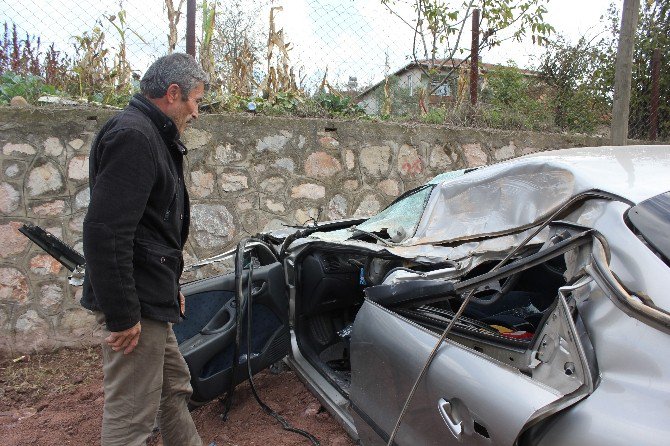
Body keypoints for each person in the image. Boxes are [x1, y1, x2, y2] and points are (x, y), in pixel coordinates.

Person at [81, 53, 207, 446]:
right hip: (134, 303)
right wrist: (122, 314)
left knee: (173, 388)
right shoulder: (135, 136)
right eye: (196, 101)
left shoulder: (149, 134)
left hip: (149, 293)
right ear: (173, 93)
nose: (197, 113)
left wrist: (168, 288)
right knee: (132, 414)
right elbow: (106, 231)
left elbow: (149, 229)